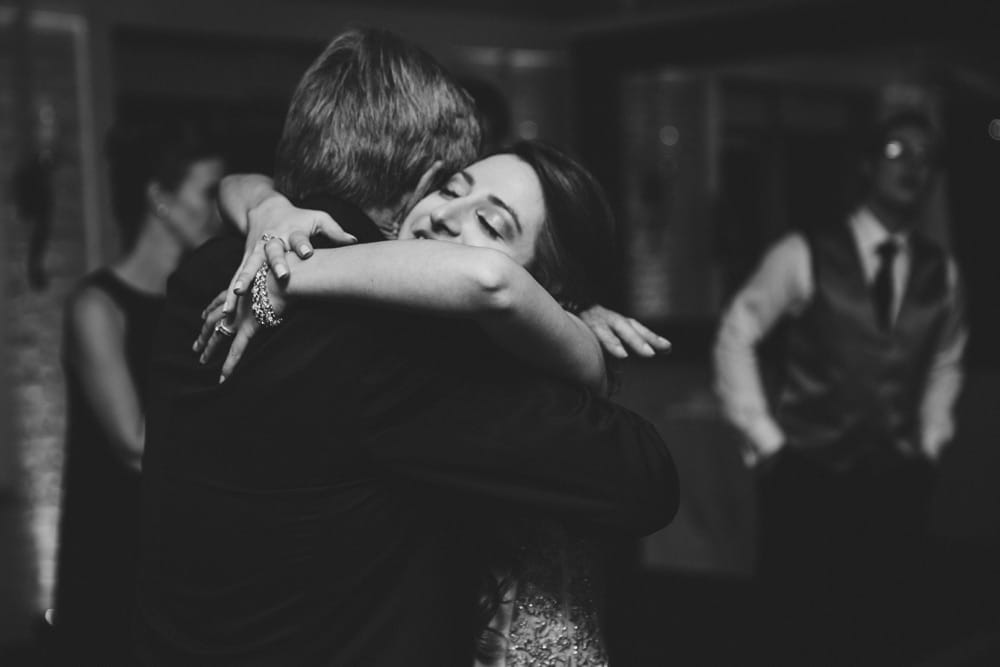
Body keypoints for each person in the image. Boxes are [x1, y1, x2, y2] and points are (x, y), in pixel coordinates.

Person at [135, 28, 677, 666]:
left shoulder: (209, 269)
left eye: (492, 220)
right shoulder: (404, 341)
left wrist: (564, 322)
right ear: (422, 180)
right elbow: (644, 483)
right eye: (452, 189)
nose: (450, 214)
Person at [713, 109, 966, 664]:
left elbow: (946, 359)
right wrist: (766, 439)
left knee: (886, 628)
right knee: (803, 631)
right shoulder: (803, 252)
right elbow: (738, 333)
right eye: (899, 152)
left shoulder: (939, 270)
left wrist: (931, 440)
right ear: (868, 166)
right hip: (809, 480)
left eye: (926, 158)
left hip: (897, 481)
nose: (914, 167)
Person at [55, 120, 224, 664]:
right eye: (205, 193)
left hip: (176, 546)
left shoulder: (195, 303)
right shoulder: (97, 306)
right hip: (110, 544)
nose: (216, 213)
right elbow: (135, 445)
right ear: (159, 199)